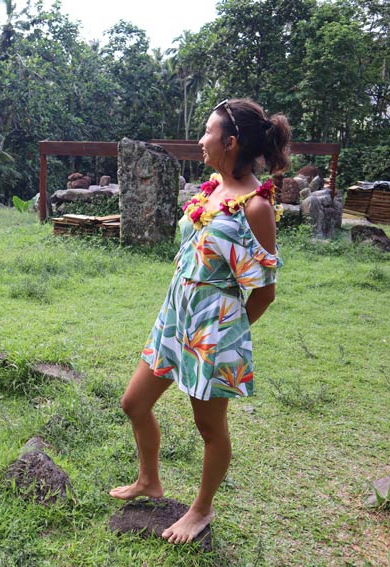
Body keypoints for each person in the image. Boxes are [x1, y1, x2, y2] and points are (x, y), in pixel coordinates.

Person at [109, 98, 291, 544]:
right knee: (134, 403)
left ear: (230, 142)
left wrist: (227, 337)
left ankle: (201, 509)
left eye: (207, 131)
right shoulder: (210, 189)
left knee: (209, 428)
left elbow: (263, 290)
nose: (200, 139)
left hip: (214, 330)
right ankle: (149, 480)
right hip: (175, 318)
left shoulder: (256, 207)